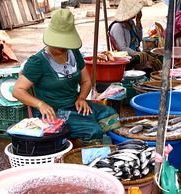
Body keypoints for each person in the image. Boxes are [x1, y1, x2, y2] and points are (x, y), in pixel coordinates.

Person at [13, 9, 121, 146]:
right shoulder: (38, 61)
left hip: (75, 105)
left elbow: (86, 81)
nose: (63, 47)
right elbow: (17, 90)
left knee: (111, 115)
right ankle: (79, 155)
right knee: (93, 130)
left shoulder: (74, 53)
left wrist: (81, 98)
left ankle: (102, 143)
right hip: (53, 112)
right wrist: (40, 105)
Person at [109, 0, 162, 76]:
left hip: (136, 53)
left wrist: (138, 21)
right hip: (128, 57)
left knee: (157, 57)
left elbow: (139, 39)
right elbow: (122, 48)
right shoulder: (117, 27)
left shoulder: (130, 23)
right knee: (149, 66)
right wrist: (136, 53)